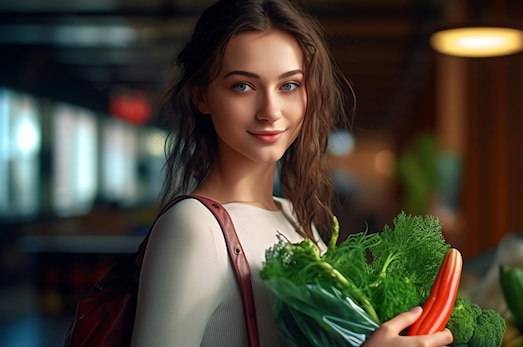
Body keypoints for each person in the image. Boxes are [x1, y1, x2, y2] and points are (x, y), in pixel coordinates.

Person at [130, 0, 454, 346]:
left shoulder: (295, 217)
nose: (270, 111)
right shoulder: (194, 227)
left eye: (289, 86)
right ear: (202, 96)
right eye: (243, 86)